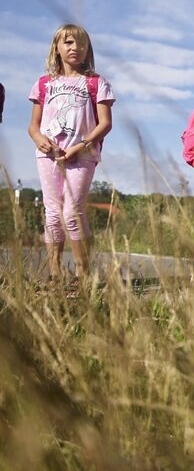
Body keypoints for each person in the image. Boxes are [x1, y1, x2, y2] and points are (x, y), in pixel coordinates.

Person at [27, 24, 114, 287]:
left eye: (81, 44)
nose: (75, 48)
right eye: (68, 43)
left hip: (82, 156)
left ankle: (82, 276)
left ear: (88, 50)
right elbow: (33, 125)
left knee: (72, 211)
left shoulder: (96, 83)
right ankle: (54, 273)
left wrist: (81, 146)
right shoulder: (43, 84)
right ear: (57, 48)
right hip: (49, 157)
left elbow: (105, 123)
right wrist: (40, 140)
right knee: (52, 212)